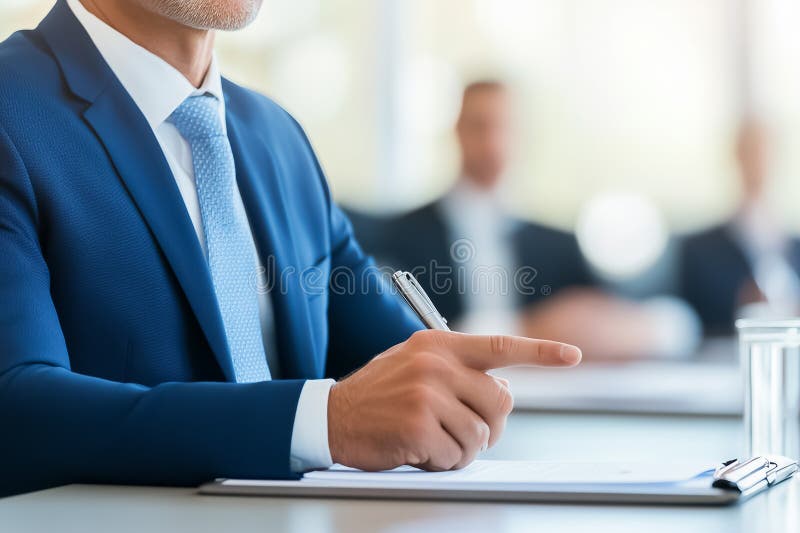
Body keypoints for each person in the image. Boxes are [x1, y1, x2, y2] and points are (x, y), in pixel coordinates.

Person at [0, 0, 582, 496]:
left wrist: (454, 386)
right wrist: (327, 422)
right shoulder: (11, 111)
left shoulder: (278, 139)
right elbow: (15, 410)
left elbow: (401, 357)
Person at [366, 81, 592, 334]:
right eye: (479, 126)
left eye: (504, 127)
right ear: (458, 131)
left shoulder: (560, 248)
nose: (492, 142)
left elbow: (607, 320)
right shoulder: (400, 238)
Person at [679, 119, 800, 336]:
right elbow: (688, 325)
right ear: (736, 157)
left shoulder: (794, 246)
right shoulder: (698, 250)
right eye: (750, 152)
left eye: (766, 153)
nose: (759, 163)